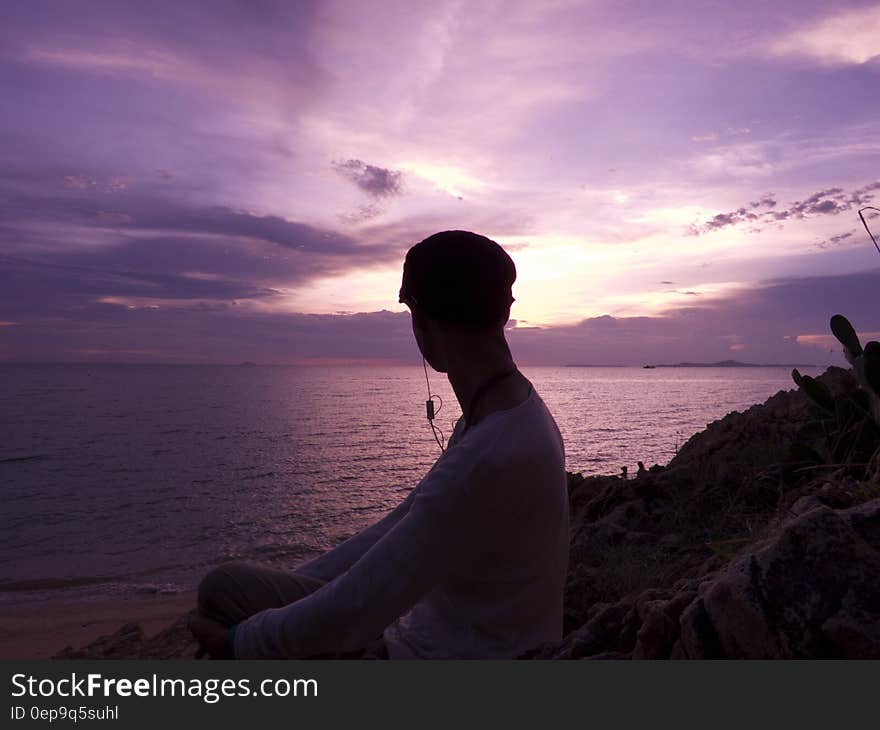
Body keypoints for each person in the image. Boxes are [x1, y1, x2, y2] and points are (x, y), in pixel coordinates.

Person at [189, 230, 569, 659]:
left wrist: (239, 643)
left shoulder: (495, 452)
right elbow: (395, 531)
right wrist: (298, 589)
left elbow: (360, 606)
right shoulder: (503, 411)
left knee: (228, 610)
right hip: (441, 638)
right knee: (227, 587)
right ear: (504, 313)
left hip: (446, 659)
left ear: (421, 320)